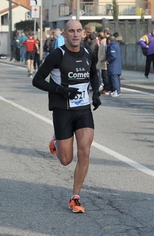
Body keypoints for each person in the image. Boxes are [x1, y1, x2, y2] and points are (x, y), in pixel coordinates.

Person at [32, 19, 101, 213]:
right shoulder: (57, 55)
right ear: (65, 34)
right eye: (71, 31)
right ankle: (56, 141)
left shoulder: (88, 52)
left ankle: (75, 197)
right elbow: (37, 80)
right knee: (65, 160)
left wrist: (95, 92)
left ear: (83, 33)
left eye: (79, 31)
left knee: (85, 152)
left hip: (83, 110)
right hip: (62, 109)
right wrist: (60, 90)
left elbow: (94, 74)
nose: (76, 35)